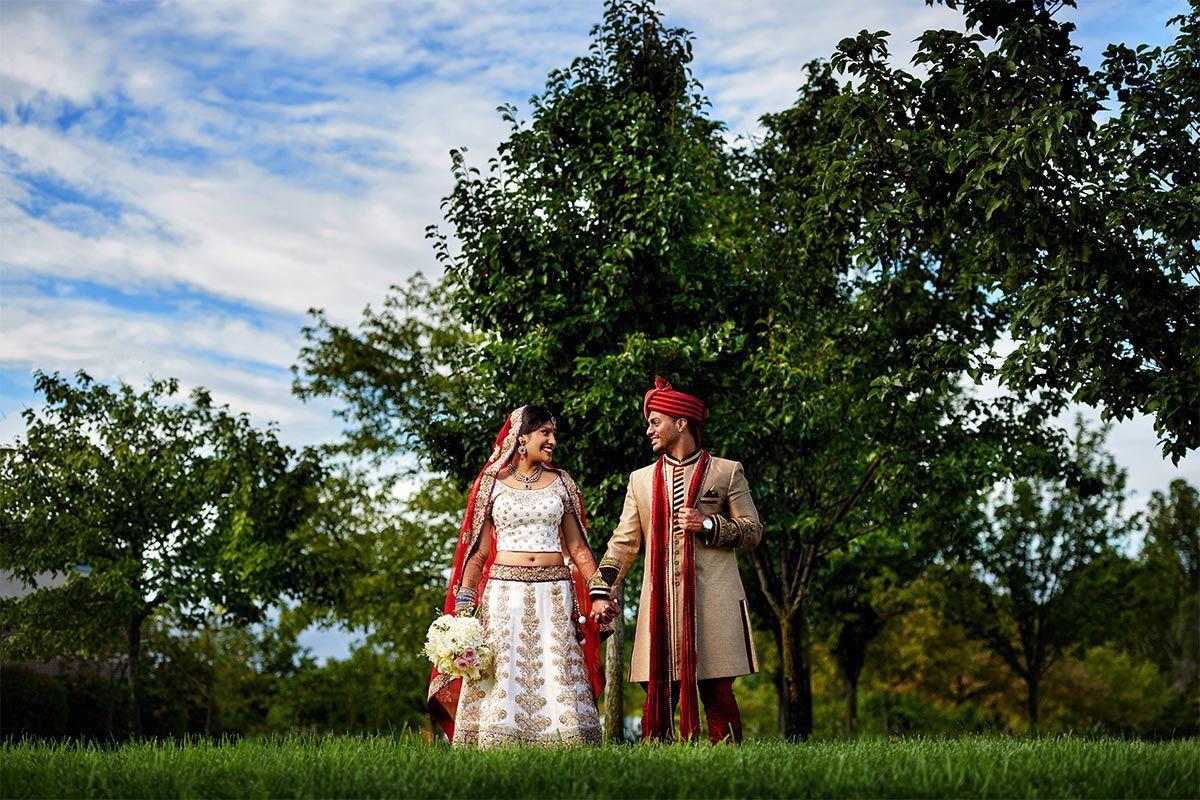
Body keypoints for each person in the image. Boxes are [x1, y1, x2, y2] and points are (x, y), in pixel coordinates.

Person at [590, 378, 762, 743]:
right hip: (659, 605)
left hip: (713, 601)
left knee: (717, 693)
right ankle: (660, 770)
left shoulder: (727, 471)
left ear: (681, 422)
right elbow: (623, 544)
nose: (648, 429)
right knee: (656, 694)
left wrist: (710, 523)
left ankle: (730, 771)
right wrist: (601, 589)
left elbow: (753, 531)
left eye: (655, 421)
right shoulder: (640, 481)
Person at [427, 405, 606, 747]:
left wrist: (598, 591)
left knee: (556, 666)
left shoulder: (562, 482)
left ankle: (566, 740)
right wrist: (463, 610)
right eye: (546, 433)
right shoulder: (491, 485)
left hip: (554, 592)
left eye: (554, 433)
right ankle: (498, 738)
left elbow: (579, 550)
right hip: (503, 594)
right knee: (503, 667)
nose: (553, 440)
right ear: (522, 437)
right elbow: (477, 553)